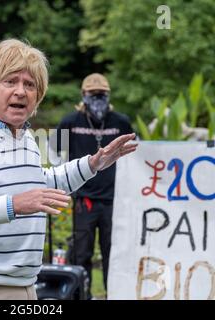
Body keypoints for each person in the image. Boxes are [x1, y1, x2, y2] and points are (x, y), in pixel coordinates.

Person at [0, 39, 137, 300]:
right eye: (10, 81)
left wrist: (93, 164)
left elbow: (41, 186)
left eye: (30, 84)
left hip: (19, 284)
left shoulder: (23, 137)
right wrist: (14, 204)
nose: (21, 91)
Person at [54, 73, 134, 299]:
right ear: (83, 96)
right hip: (84, 199)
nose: (98, 99)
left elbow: (133, 157)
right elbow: (53, 152)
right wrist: (61, 187)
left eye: (102, 95)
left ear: (109, 96)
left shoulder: (121, 122)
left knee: (113, 253)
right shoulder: (71, 122)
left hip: (113, 200)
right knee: (82, 253)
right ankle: (82, 295)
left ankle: (114, 294)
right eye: (93, 94)